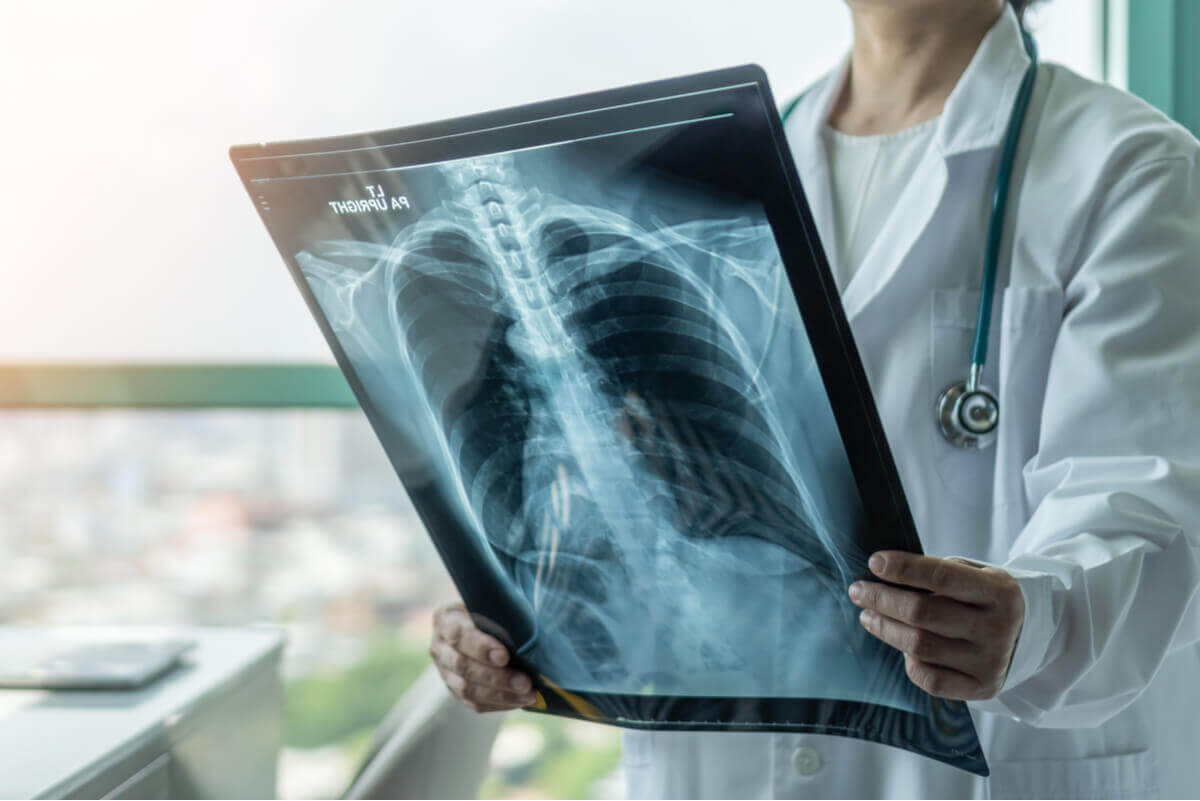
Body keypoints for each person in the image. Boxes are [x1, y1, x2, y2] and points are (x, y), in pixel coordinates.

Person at [429, 0, 1200, 796]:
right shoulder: (715, 175)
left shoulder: (1128, 170)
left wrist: (1036, 621)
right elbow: (644, 502)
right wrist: (518, 612)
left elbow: (1149, 506)